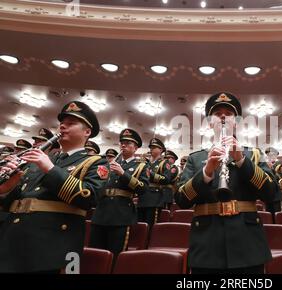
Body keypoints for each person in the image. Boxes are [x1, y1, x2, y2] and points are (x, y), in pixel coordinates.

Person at [0, 101, 108, 273]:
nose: (63, 126)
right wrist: (5, 189)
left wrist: (49, 169)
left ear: (87, 132)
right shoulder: (39, 161)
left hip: (51, 246)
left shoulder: (95, 162)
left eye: (71, 123)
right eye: (62, 123)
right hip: (12, 239)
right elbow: (16, 202)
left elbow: (89, 198)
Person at [176, 92, 276, 274]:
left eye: (229, 113)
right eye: (217, 113)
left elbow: (271, 192)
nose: (223, 116)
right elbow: (182, 199)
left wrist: (241, 160)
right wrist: (206, 172)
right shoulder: (196, 158)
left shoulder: (253, 154)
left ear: (236, 121)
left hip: (247, 242)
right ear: (209, 122)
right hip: (206, 244)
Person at [90, 128, 148, 260]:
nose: (123, 145)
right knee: (95, 253)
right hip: (101, 212)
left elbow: (143, 189)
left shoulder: (141, 166)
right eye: (122, 142)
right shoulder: (109, 164)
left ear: (136, 148)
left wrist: (123, 174)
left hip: (121, 214)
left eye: (128, 143)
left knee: (115, 255)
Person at [138, 138, 176, 228]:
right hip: (143, 196)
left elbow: (167, 179)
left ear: (161, 150)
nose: (151, 149)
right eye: (151, 147)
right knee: (140, 225)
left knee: (150, 225)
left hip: (155, 197)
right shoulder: (145, 163)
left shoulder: (164, 163)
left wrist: (150, 174)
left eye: (154, 147)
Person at [264, 147, 282, 221]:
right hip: (268, 194)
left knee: (277, 216)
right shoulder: (265, 165)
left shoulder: (279, 164)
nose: (270, 157)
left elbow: (280, 178)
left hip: (277, 195)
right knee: (268, 217)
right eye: (268, 155)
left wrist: (271, 169)